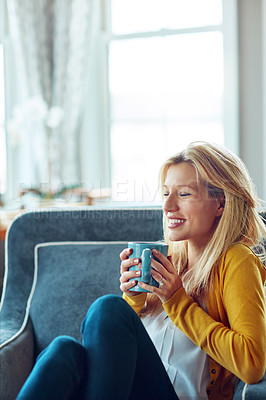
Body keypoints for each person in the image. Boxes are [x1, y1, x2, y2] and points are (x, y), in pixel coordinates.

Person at [16, 142, 266, 400]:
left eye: (184, 194)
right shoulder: (170, 261)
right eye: (166, 193)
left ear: (221, 203)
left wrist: (176, 300)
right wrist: (134, 298)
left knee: (108, 309)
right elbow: (126, 357)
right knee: (63, 350)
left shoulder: (237, 261)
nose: (168, 206)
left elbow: (252, 364)